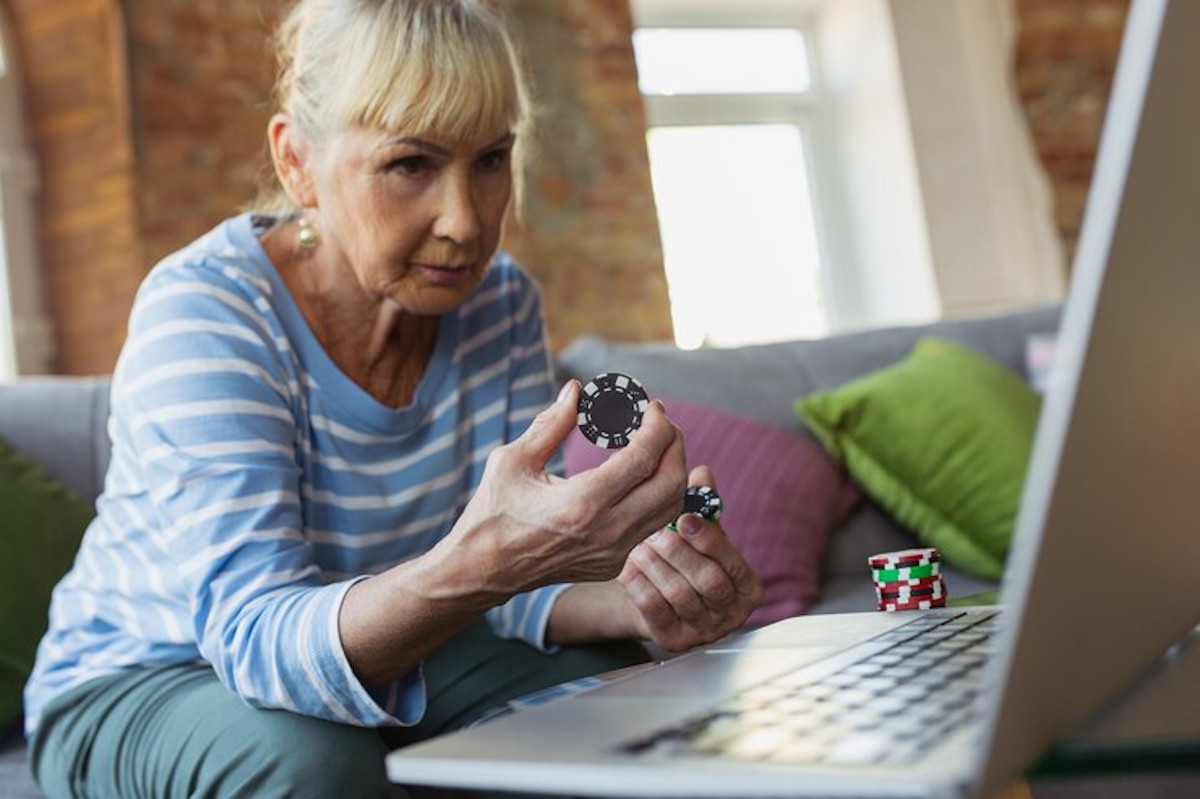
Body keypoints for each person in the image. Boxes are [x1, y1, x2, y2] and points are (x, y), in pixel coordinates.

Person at [24, 1, 763, 796]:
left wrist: (637, 600)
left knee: (622, 696)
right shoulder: (205, 314)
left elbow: (511, 596)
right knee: (313, 764)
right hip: (149, 673)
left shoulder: (501, 303)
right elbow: (253, 639)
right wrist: (486, 559)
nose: (466, 221)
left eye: (490, 159)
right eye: (411, 164)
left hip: (408, 641)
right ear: (298, 161)